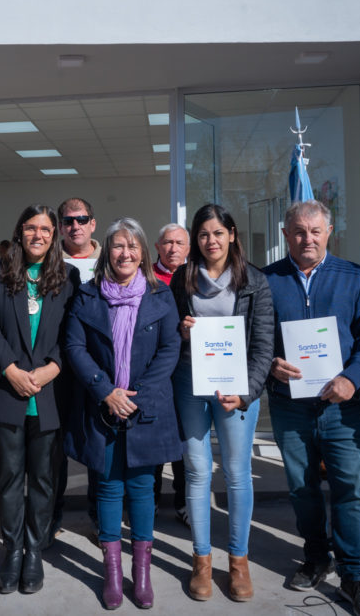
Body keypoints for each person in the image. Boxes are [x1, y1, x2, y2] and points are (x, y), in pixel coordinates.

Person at [263, 200, 360, 616]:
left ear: (330, 231)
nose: (307, 239)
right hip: (289, 406)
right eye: (298, 231)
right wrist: (269, 363)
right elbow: (254, 338)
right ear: (285, 235)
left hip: (341, 406)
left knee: (348, 489)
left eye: (315, 231)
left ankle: (355, 574)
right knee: (301, 487)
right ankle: (316, 557)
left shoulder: (354, 277)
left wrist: (353, 377)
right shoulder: (267, 280)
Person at [65, 217, 180, 609]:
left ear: (143, 252)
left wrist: (137, 396)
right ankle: (112, 573)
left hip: (146, 407)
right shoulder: (87, 295)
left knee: (143, 488)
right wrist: (105, 391)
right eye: (118, 245)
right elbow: (74, 347)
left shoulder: (161, 295)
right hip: (103, 408)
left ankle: (141, 573)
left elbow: (170, 349)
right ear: (107, 251)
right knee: (109, 486)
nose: (125, 253)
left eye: (132, 246)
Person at [0, 204, 80, 595]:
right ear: (19, 232)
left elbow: (75, 331)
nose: (38, 235)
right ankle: (12, 551)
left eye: (46, 229)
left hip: (49, 393)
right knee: (8, 478)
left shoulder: (69, 276)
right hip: (5, 390)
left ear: (55, 236)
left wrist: (54, 367)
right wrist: (11, 370)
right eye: (31, 228)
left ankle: (34, 550)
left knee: (45, 480)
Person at [170, 203, 273, 602]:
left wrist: (245, 393)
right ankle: (201, 560)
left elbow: (263, 345)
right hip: (190, 383)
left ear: (232, 234)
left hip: (235, 388)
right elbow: (170, 334)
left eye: (217, 233)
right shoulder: (182, 278)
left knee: (236, 472)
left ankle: (238, 561)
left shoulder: (255, 281)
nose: (210, 241)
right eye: (203, 234)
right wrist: (181, 331)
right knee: (197, 471)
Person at [57, 197, 101, 528]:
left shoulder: (111, 260)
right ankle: (51, 519)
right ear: (60, 227)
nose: (76, 226)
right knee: (54, 451)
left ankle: (100, 519)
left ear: (93, 224)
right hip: (57, 368)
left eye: (82, 219)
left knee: (98, 446)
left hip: (99, 368)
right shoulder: (46, 262)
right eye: (69, 221)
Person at [151, 222, 190, 524]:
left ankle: (183, 502)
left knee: (184, 439)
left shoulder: (197, 277)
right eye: (167, 242)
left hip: (187, 369)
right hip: (152, 370)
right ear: (157, 247)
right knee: (150, 438)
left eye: (179, 243)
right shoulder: (145, 278)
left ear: (188, 248)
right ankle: (148, 501)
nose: (173, 248)